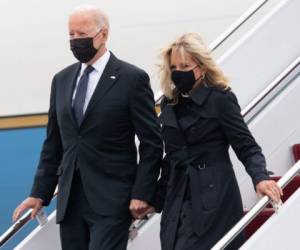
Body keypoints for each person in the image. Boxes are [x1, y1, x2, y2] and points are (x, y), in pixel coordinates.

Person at [12, 5, 162, 250]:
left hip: (113, 199)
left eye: (82, 34)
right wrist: (39, 192)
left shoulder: (131, 78)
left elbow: (152, 142)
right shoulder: (61, 80)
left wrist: (142, 192)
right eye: (71, 35)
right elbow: (54, 143)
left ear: (103, 35)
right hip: (71, 201)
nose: (75, 40)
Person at [154, 33, 283, 250]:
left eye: (185, 66)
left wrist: (260, 177)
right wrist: (151, 198)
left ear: (202, 68)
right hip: (177, 199)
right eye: (174, 67)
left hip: (214, 196)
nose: (178, 72)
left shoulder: (220, 99)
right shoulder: (169, 103)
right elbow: (172, 158)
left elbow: (246, 146)